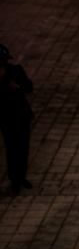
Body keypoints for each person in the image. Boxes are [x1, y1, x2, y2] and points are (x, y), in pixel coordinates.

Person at [0, 44, 33, 195]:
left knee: (23, 148)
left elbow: (29, 87)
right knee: (12, 149)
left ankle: (21, 177)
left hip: (21, 115)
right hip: (6, 119)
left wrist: (18, 86)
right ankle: (14, 180)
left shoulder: (16, 71)